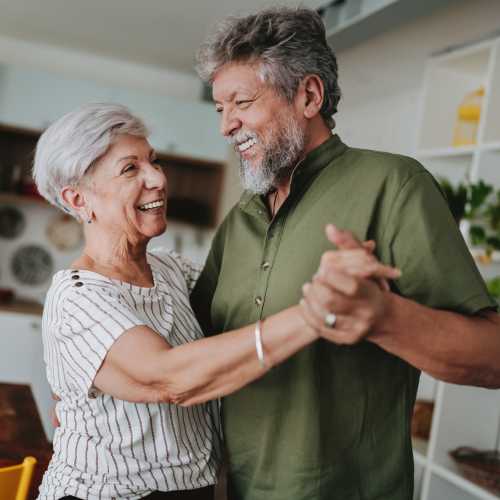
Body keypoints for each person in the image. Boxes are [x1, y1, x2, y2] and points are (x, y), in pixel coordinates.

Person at [193, 7, 500, 500]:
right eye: (219, 109)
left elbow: (493, 357)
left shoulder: (395, 185)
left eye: (242, 102)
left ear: (309, 95)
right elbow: (195, 347)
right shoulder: (242, 218)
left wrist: (384, 317)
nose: (227, 126)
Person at [33, 103, 397, 500]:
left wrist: (339, 280)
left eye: (153, 161)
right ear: (78, 199)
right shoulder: (77, 296)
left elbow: (248, 312)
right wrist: (313, 313)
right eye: (130, 169)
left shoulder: (172, 271)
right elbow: (169, 377)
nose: (157, 178)